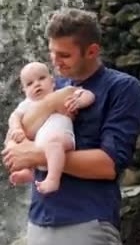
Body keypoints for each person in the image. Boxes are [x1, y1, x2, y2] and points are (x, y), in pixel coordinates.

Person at [1, 8, 140, 245]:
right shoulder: (48, 88)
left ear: (92, 51)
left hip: (88, 224)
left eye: (64, 54)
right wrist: (53, 103)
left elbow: (107, 165)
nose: (56, 61)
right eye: (52, 52)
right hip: (38, 225)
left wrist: (38, 157)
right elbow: (20, 132)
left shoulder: (122, 88)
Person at [5, 61, 95, 193]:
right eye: (30, 84)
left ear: (53, 81)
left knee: (53, 144)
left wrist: (80, 102)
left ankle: (53, 179)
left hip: (61, 138)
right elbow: (14, 117)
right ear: (24, 91)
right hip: (38, 144)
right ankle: (28, 172)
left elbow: (87, 94)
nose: (37, 84)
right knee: (22, 143)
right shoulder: (26, 104)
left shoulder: (62, 93)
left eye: (41, 78)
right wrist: (17, 129)